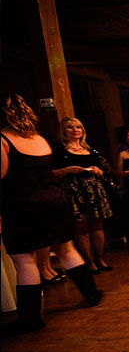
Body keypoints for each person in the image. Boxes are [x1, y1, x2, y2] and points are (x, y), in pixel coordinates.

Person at [1, 94, 102, 334]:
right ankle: (92, 293)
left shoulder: (4, 140)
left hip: (23, 205)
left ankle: (30, 318)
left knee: (24, 260)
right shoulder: (39, 140)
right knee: (67, 250)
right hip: (54, 201)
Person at [51, 116, 114, 272]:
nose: (75, 130)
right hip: (73, 190)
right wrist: (68, 170)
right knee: (81, 226)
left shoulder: (90, 149)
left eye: (78, 127)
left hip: (93, 189)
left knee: (98, 225)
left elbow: (106, 170)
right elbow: (51, 172)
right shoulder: (59, 150)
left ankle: (101, 259)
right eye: (70, 127)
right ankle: (89, 261)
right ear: (63, 131)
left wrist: (98, 171)